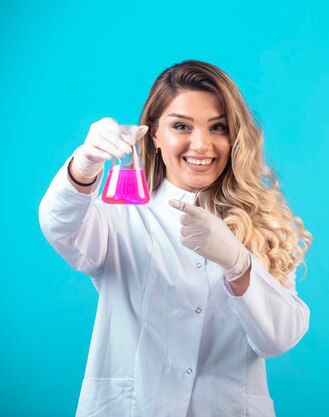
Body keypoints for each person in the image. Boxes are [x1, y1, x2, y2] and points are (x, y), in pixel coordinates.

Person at [38, 60, 313, 417]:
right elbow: (59, 224)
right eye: (181, 126)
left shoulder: (261, 224)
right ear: (153, 133)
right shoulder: (121, 215)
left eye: (218, 128)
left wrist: (239, 263)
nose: (201, 145)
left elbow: (279, 338)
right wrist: (85, 164)